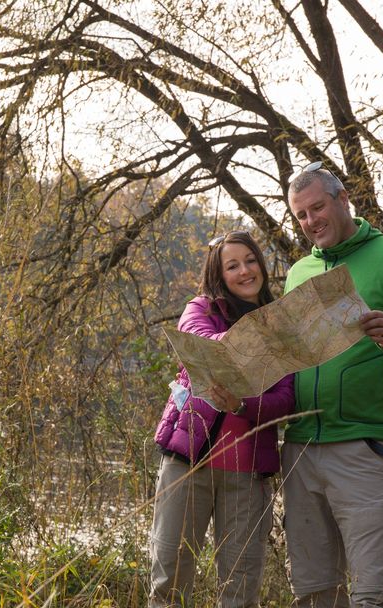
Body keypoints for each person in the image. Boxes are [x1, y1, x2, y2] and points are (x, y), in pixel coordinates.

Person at [281, 162, 383, 608]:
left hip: (366, 446)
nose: (311, 221)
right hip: (299, 449)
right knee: (314, 595)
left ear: (343, 198)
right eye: (301, 215)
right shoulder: (297, 273)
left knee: (377, 596)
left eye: (318, 207)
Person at [150, 230, 295, 608]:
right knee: (169, 582)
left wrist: (243, 403)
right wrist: (253, 348)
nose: (244, 271)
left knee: (240, 591)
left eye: (250, 261)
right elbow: (197, 340)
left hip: (246, 476)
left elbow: (285, 399)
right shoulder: (202, 309)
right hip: (188, 465)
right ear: (219, 274)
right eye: (233, 266)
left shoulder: (281, 326)